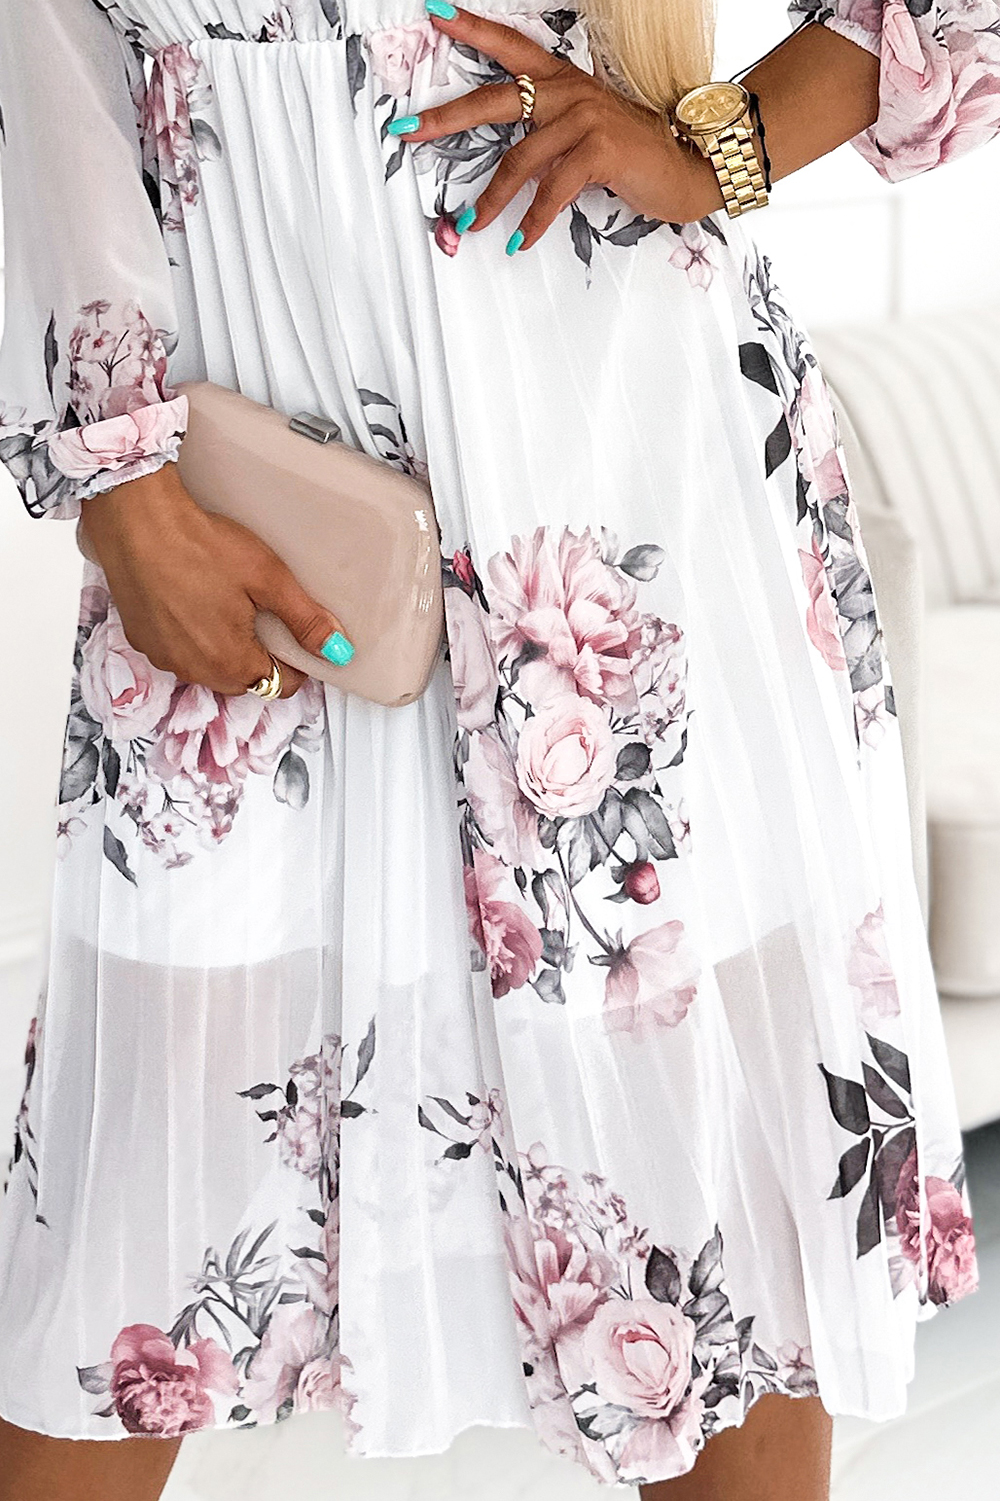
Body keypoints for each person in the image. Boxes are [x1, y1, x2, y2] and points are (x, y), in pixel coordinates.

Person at [0, 0, 995, 1497]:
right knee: (114, 1228)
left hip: (604, 477)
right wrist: (116, 480)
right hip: (246, 496)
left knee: (706, 1224)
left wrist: (721, 146)